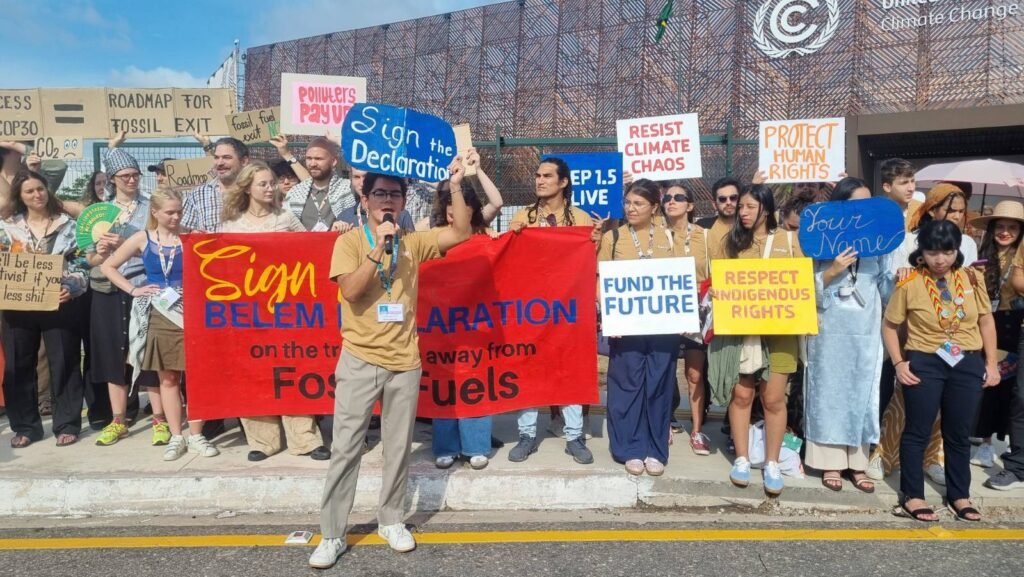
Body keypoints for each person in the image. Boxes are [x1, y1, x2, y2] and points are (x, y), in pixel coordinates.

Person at [309, 161, 472, 569]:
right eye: (380, 194)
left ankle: (392, 520)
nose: (387, 201)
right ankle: (332, 533)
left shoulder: (413, 242)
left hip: (405, 361)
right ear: (364, 201)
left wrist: (455, 185)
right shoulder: (348, 243)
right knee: (346, 449)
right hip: (360, 359)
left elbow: (462, 232)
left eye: (394, 195)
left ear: (402, 202)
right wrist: (378, 247)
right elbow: (350, 289)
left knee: (398, 449)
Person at [883, 219, 999, 522]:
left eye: (947, 252)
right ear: (922, 251)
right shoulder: (910, 283)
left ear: (956, 251)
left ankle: (960, 495)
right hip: (925, 361)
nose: (940, 259)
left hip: (967, 362)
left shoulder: (972, 278)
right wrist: (899, 362)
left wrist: (991, 363)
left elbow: (986, 321)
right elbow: (890, 325)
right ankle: (913, 496)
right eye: (933, 252)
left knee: (958, 433)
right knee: (917, 431)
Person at [221, 162, 329, 462]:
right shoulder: (232, 225)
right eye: (263, 184)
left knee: (293, 371)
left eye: (272, 183)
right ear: (247, 188)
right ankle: (262, 439)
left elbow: (311, 254)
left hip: (288, 312)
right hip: (248, 314)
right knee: (254, 373)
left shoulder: (286, 217)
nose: (270, 189)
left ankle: (304, 438)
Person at [101, 188, 219, 461]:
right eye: (170, 212)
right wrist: (133, 289)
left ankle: (197, 434)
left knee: (197, 376)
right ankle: (177, 436)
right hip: (160, 313)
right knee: (168, 378)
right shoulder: (142, 238)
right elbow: (109, 266)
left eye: (179, 211)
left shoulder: (192, 237)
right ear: (155, 212)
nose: (176, 217)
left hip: (194, 313)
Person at [871, 183, 977, 483]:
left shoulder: (967, 243)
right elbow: (894, 281)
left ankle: (935, 458)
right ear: (932, 209)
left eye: (960, 211)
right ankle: (883, 454)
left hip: (955, 336)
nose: (956, 216)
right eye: (950, 210)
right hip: (914, 330)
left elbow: (968, 284)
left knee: (946, 407)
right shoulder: (907, 240)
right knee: (905, 399)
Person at [708, 183, 803, 496]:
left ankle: (773, 462)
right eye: (740, 207)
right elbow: (715, 281)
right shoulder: (729, 242)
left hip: (780, 333)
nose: (743, 212)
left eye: (749, 206)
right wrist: (716, 291)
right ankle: (743, 458)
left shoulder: (789, 240)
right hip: (741, 331)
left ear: (766, 208)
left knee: (774, 399)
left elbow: (803, 283)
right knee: (742, 397)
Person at [505, 157, 598, 465]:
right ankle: (527, 435)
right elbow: (510, 261)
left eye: (547, 176)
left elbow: (588, 265)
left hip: (568, 311)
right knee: (529, 370)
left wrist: (594, 242)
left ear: (563, 182)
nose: (539, 180)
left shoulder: (582, 219)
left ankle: (574, 436)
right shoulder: (523, 216)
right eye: (537, 175)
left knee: (570, 370)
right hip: (531, 311)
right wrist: (511, 236)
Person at [803, 177, 894, 492]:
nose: (863, 210)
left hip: (865, 330)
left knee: (861, 391)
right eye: (857, 204)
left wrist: (898, 280)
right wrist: (832, 270)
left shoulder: (879, 242)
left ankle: (857, 463)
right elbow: (805, 287)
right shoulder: (821, 238)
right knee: (828, 389)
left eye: (868, 203)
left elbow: (886, 288)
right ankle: (829, 461)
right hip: (830, 330)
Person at [599, 179, 688, 475]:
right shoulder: (613, 238)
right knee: (626, 385)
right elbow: (601, 280)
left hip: (663, 329)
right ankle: (629, 447)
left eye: (638, 203)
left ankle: (655, 447)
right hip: (626, 328)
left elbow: (680, 278)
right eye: (628, 202)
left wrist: (683, 316)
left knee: (658, 386)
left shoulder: (671, 236)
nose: (631, 208)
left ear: (654, 206)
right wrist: (610, 315)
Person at [1, 170, 88, 448]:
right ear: (20, 196)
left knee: (64, 362)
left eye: (40, 189)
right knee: (18, 365)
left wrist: (71, 287)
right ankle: (26, 426)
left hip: (59, 303)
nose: (37, 195)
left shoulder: (69, 226)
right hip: (17, 307)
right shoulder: (6, 228)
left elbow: (84, 264)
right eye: (30, 191)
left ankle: (67, 423)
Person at [88, 149, 162, 446]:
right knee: (112, 355)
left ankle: (160, 419)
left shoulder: (150, 208)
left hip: (145, 286)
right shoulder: (99, 211)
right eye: (125, 176)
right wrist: (101, 253)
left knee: (148, 355)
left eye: (135, 174)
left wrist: (129, 241)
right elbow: (89, 259)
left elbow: (161, 244)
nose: (132, 180)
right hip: (109, 289)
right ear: (113, 179)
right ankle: (118, 420)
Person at [430, 174, 500, 470]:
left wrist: (478, 169)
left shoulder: (483, 232)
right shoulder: (431, 234)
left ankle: (475, 445)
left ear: (470, 209)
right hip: (440, 321)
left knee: (476, 381)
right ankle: (446, 446)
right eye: (448, 207)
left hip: (476, 322)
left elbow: (497, 201)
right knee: (443, 381)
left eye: (458, 206)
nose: (453, 211)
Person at [968, 202, 1024, 468]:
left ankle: (1012, 443)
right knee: (989, 384)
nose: (1005, 232)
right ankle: (986, 442)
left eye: (1012, 227)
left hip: (1017, 324)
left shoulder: (1021, 256)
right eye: (1000, 226)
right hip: (989, 324)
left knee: (1014, 391)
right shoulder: (982, 255)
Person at [660, 181, 711, 455]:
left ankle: (697, 430)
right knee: (664, 370)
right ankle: (664, 422)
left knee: (694, 373)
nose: (672, 201)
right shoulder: (653, 233)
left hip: (696, 311)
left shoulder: (705, 236)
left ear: (690, 205)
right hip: (664, 309)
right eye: (667, 197)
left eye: (679, 197)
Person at [416, 148, 504, 231]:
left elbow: (496, 203)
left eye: (465, 217)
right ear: (443, 210)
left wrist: (478, 169)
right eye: (452, 216)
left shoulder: (476, 224)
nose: (458, 222)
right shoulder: (431, 225)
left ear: (473, 212)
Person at [284, 136, 354, 231]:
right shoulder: (295, 193)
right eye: (309, 158)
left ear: (333, 161)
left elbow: (370, 167)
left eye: (318, 159)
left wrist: (340, 142)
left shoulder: (348, 188)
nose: (313, 164)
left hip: (340, 244)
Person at [181, 137, 250, 233]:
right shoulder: (199, 194)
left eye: (226, 157)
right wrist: (192, 233)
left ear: (244, 161)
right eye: (216, 157)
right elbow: (182, 230)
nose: (219, 163)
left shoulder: (255, 192)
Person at [880, 158, 921, 229]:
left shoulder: (922, 211)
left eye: (913, 181)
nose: (911, 188)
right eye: (904, 183)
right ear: (887, 187)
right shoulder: (877, 215)